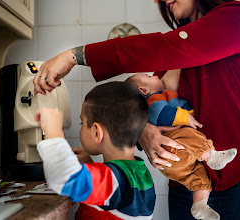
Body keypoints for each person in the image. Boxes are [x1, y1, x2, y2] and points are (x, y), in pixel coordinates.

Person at [33, 1, 240, 219]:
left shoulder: (239, 16)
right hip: (186, 183)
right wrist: (144, 130)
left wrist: (74, 56)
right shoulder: (172, 58)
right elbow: (147, 104)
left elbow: (166, 47)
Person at [34, 81, 155, 219]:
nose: (81, 127)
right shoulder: (141, 174)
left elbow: (66, 179)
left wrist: (53, 129)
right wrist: (90, 165)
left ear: (97, 133)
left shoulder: (115, 180)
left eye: (82, 123)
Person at [126, 72, 237, 219]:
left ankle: (200, 205)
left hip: (172, 163)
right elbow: (162, 114)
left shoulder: (156, 99)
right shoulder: (154, 99)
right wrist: (186, 118)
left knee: (198, 176)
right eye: (149, 77)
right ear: (143, 90)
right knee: (190, 135)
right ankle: (211, 156)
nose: (156, 76)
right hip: (174, 146)